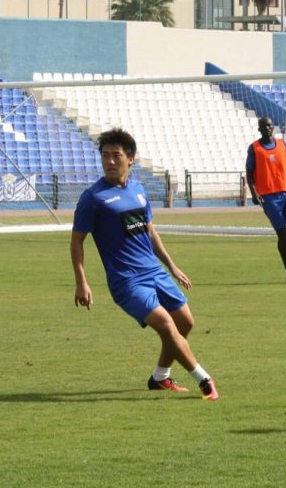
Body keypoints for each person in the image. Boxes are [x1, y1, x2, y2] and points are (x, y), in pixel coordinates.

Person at [71, 128, 219, 400]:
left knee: (185, 323)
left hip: (154, 271)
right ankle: (203, 379)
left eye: (116, 156)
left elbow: (150, 232)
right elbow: (77, 240)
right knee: (165, 324)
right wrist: (82, 281)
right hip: (126, 280)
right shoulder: (93, 198)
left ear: (131, 159)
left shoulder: (138, 190)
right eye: (105, 156)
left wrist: (172, 267)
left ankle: (160, 377)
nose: (110, 161)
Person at [246, 116, 286, 285]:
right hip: (269, 198)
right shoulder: (254, 148)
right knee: (282, 234)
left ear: (273, 127)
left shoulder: (283, 145)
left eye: (269, 125)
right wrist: (254, 194)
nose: (267, 128)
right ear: (259, 129)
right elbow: (249, 173)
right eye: (263, 126)